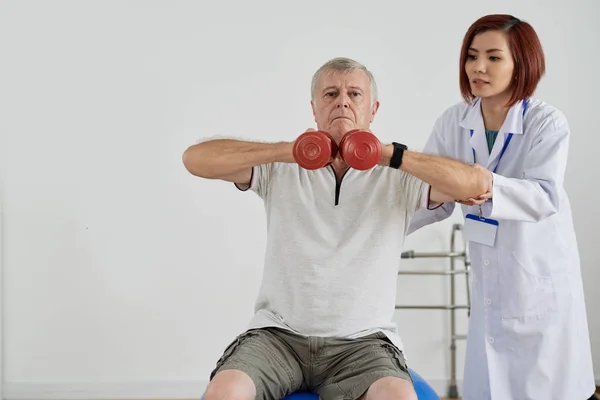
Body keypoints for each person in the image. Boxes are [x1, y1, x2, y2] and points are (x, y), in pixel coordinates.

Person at [183, 57, 490, 400]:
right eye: (330, 94)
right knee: (225, 392)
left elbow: (474, 185)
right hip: (277, 337)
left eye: (354, 94)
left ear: (372, 109)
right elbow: (195, 159)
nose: (342, 101)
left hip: (363, 345)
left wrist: (388, 154)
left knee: (399, 396)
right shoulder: (280, 170)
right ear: (314, 109)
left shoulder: (400, 178)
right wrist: (292, 150)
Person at [407, 14, 596, 400]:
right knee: (489, 383)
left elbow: (544, 196)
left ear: (521, 64)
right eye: (472, 56)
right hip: (490, 285)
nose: (478, 67)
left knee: (547, 387)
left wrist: (485, 185)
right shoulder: (454, 122)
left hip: (539, 280)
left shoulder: (546, 122)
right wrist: (385, 223)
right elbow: (430, 195)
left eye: (494, 57)